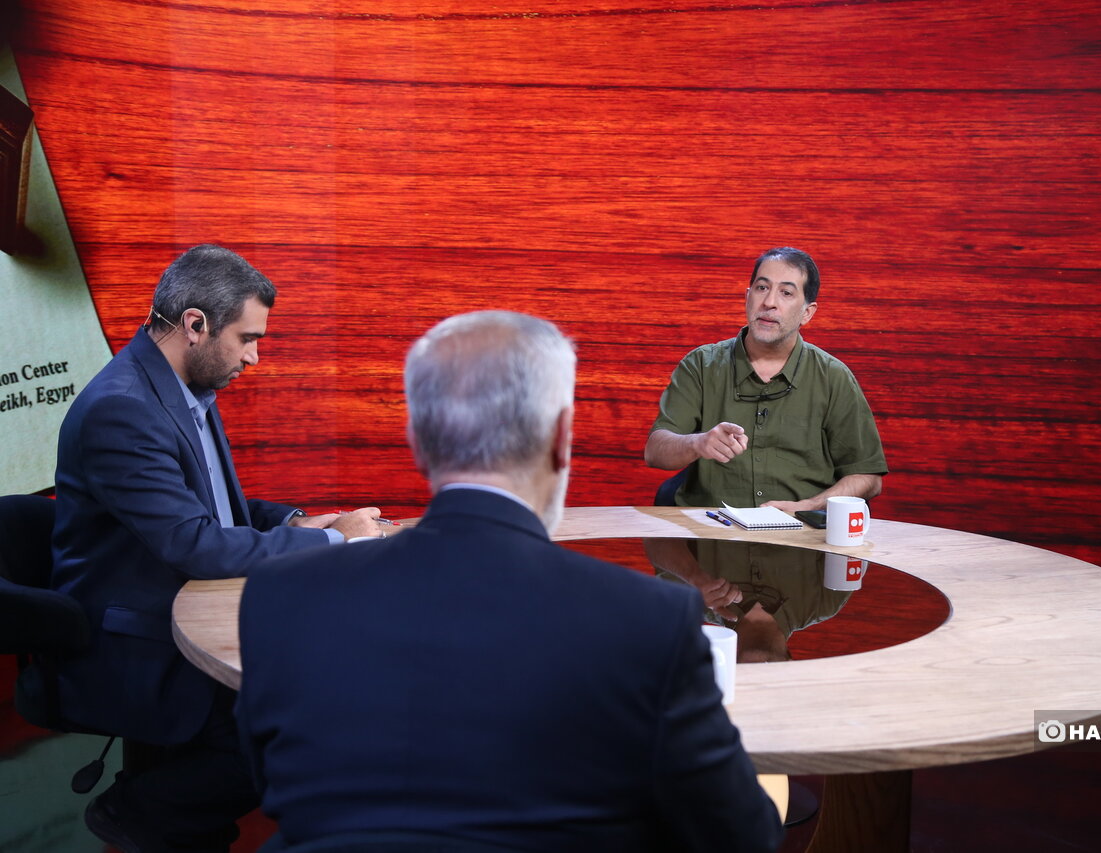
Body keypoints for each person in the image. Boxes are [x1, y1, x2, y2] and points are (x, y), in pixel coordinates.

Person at [236, 311, 784, 852]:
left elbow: (271, 783)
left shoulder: (279, 596)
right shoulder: (651, 623)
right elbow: (740, 836)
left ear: (417, 440)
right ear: (561, 438)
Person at [51, 244, 386, 852]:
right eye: (247, 339)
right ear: (195, 324)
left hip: (187, 609)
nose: (254, 357)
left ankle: (180, 819)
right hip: (138, 642)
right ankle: (138, 811)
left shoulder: (180, 388)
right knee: (298, 723)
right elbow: (195, 544)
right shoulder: (122, 410)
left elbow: (210, 510)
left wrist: (300, 523)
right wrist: (336, 541)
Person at [646, 246, 887, 512]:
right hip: (711, 528)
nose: (769, 302)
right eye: (762, 288)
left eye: (786, 293)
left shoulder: (833, 377)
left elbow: (868, 476)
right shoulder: (701, 365)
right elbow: (655, 451)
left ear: (807, 312)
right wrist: (698, 443)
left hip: (800, 531)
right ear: (747, 297)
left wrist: (807, 507)